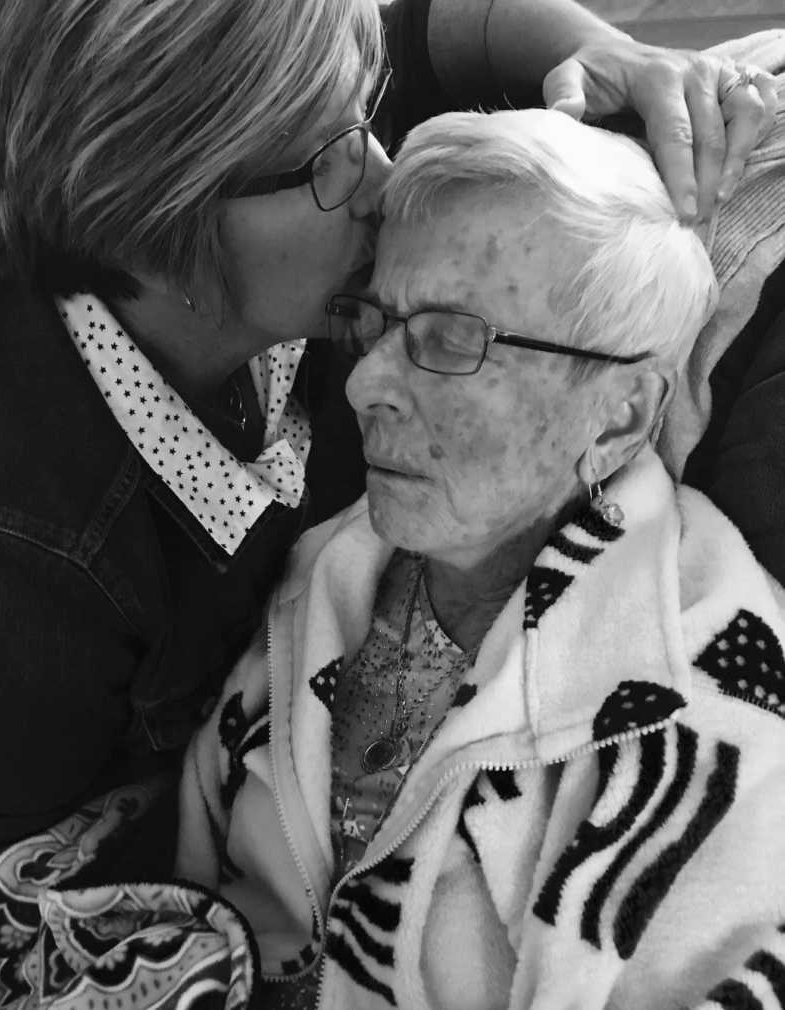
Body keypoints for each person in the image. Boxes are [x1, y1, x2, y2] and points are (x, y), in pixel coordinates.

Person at [0, 0, 776, 875]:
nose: (384, 181)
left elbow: (430, 26)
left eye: (363, 117)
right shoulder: (8, 570)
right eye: (333, 158)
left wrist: (605, 50)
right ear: (159, 217)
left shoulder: (264, 137)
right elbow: (30, 885)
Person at [176, 110, 785, 1010]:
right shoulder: (330, 565)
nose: (361, 382)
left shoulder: (714, 731)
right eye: (376, 321)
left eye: (453, 338)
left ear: (617, 417)